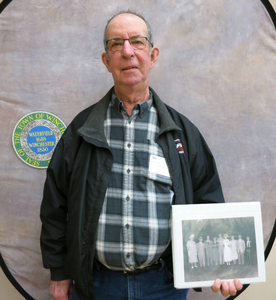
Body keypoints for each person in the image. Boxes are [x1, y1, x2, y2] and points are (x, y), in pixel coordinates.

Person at [40, 10, 243, 300]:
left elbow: (208, 198)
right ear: (105, 60)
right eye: (115, 44)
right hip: (97, 285)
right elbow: (54, 206)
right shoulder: (82, 131)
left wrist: (223, 265)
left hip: (164, 286)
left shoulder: (181, 134)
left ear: (153, 54)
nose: (127, 52)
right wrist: (59, 271)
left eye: (137, 42)